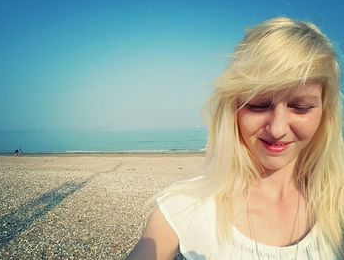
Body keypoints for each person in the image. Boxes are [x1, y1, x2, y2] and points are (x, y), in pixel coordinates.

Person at [126, 17, 344, 259]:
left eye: (301, 107)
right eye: (259, 105)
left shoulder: (338, 204)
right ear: (233, 108)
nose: (277, 129)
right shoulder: (184, 208)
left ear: (326, 113)